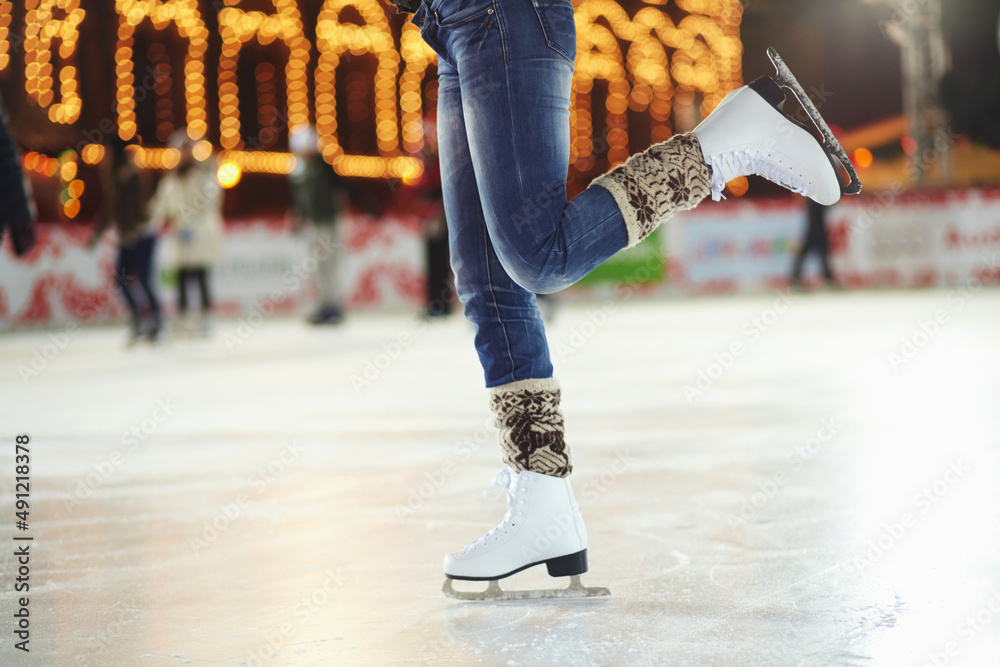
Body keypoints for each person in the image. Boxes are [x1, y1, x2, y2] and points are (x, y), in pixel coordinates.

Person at [394, 0, 860, 597]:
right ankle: (543, 503)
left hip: (498, 15)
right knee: (485, 276)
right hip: (451, 27)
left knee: (537, 253)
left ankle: (720, 146)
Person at [148, 129, 224, 336]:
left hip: (200, 232)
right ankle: (183, 317)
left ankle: (205, 316)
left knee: (200, 274)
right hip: (181, 233)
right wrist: (150, 219)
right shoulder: (172, 180)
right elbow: (161, 205)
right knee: (181, 276)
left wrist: (191, 221)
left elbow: (210, 199)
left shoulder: (203, 175)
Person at [89, 137, 162, 345]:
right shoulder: (115, 175)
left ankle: (155, 321)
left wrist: (130, 231)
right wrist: (98, 232)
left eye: (108, 152)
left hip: (142, 233)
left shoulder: (129, 174)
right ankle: (139, 320)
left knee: (143, 279)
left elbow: (135, 207)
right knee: (122, 280)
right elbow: (111, 208)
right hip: (129, 235)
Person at [289, 125, 349, 325]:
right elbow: (300, 200)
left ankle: (333, 304)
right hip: (314, 224)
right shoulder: (299, 171)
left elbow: (339, 193)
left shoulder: (323, 167)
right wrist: (298, 219)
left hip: (327, 223)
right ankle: (324, 303)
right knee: (318, 267)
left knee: (329, 264)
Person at [791, 199, 837, 289]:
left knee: (820, 252)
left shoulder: (816, 197)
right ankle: (828, 277)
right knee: (819, 251)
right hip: (814, 228)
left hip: (816, 227)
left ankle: (796, 277)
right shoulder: (816, 198)